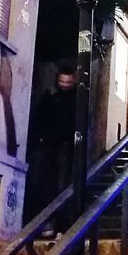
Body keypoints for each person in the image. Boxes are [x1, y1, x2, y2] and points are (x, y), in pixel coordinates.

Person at [27, 62, 77, 231]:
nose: (65, 86)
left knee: (62, 185)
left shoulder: (76, 99)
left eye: (68, 83)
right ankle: (38, 223)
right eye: (62, 82)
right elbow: (38, 119)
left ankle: (60, 225)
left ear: (74, 82)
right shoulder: (49, 96)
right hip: (46, 144)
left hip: (64, 146)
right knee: (38, 181)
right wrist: (39, 139)